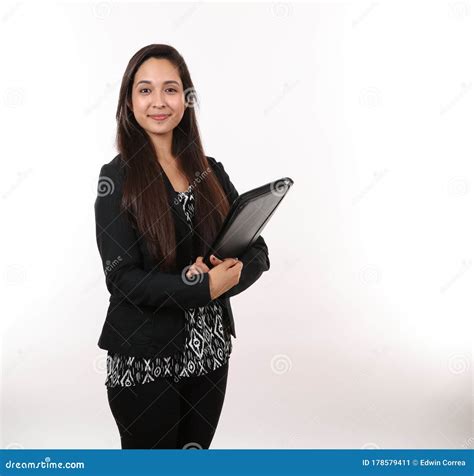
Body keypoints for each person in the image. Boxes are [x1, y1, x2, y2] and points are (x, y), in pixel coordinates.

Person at [94, 44, 270, 449]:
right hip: (145, 360)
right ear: (129, 101)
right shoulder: (116, 178)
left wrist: (228, 278)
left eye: (170, 89)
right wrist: (200, 289)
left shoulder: (210, 171)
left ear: (187, 99)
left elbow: (256, 249)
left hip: (210, 355)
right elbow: (121, 279)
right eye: (145, 90)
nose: (159, 101)